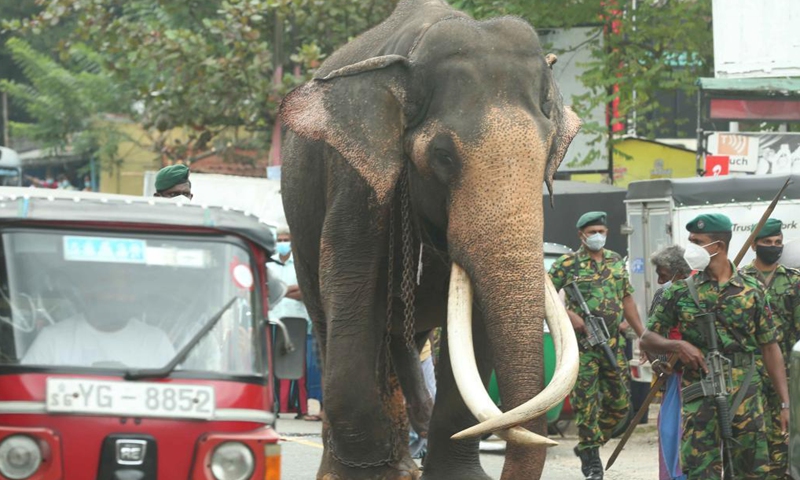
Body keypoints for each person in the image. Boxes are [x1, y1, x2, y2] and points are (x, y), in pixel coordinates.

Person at [641, 213, 789, 479]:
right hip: (700, 396)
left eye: (697, 242)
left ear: (718, 246)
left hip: (745, 396)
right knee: (700, 471)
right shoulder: (680, 291)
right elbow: (647, 338)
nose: (691, 248)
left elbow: (770, 348)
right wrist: (679, 346)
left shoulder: (752, 290)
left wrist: (785, 403)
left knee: (751, 471)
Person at [549, 211, 645, 480]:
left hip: (612, 343)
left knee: (621, 404)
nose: (597, 236)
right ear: (581, 235)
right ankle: (592, 460)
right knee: (586, 404)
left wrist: (642, 335)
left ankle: (588, 445)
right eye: (592, 232)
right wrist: (572, 317)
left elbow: (627, 300)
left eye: (601, 231)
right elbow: (543, 294)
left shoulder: (615, 261)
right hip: (582, 348)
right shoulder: (567, 264)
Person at [740, 218, 800, 479]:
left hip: (784, 370)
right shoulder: (739, 279)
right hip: (748, 371)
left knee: (784, 431)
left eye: (778, 243)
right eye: (767, 242)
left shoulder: (794, 280)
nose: (774, 247)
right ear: (754, 245)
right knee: (750, 433)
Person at [21, 269, 176, 369]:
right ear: (88, 292)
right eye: (113, 291)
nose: (121, 298)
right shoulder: (53, 338)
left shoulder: (155, 341)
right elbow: (27, 386)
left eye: (127, 292)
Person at [648, 245, 692, 480]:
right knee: (670, 431)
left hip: (698, 376)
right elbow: (648, 337)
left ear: (679, 272)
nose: (659, 281)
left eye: (663, 276)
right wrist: (657, 362)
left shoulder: (701, 290)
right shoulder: (663, 295)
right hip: (672, 377)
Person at [267, 226, 319, 420]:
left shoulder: (299, 265)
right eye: (279, 240)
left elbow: (305, 291)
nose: (282, 243)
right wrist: (290, 291)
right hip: (274, 320)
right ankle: (273, 405)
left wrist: (280, 290)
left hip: (297, 321)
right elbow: (265, 290)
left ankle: (301, 407)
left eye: (285, 239)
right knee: (272, 365)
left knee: (299, 366)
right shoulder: (269, 265)